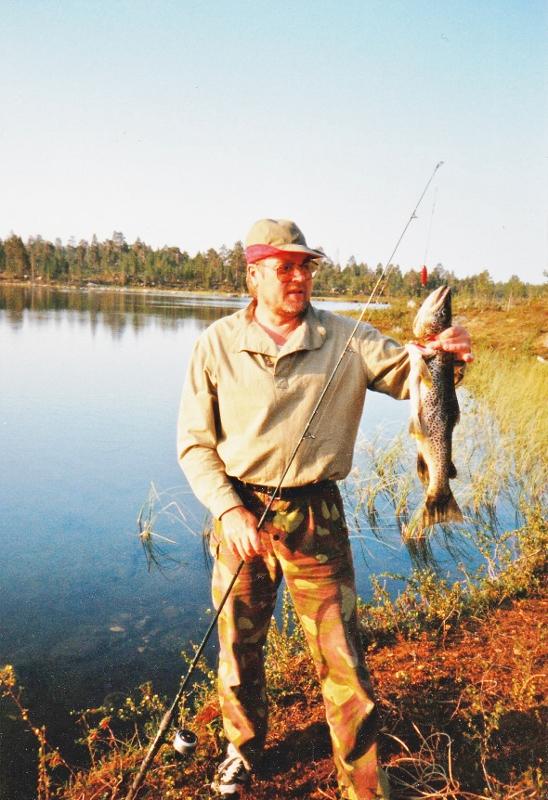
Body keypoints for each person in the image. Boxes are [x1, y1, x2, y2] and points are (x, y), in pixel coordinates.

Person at [177, 218, 472, 799]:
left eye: (306, 266)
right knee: (238, 645)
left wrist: (448, 355)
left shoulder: (349, 337)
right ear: (254, 273)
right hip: (240, 513)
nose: (298, 277)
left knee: (343, 660)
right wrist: (229, 512)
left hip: (318, 516)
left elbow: (417, 379)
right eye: (284, 266)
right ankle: (242, 747)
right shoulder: (215, 344)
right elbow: (193, 444)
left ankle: (363, 784)